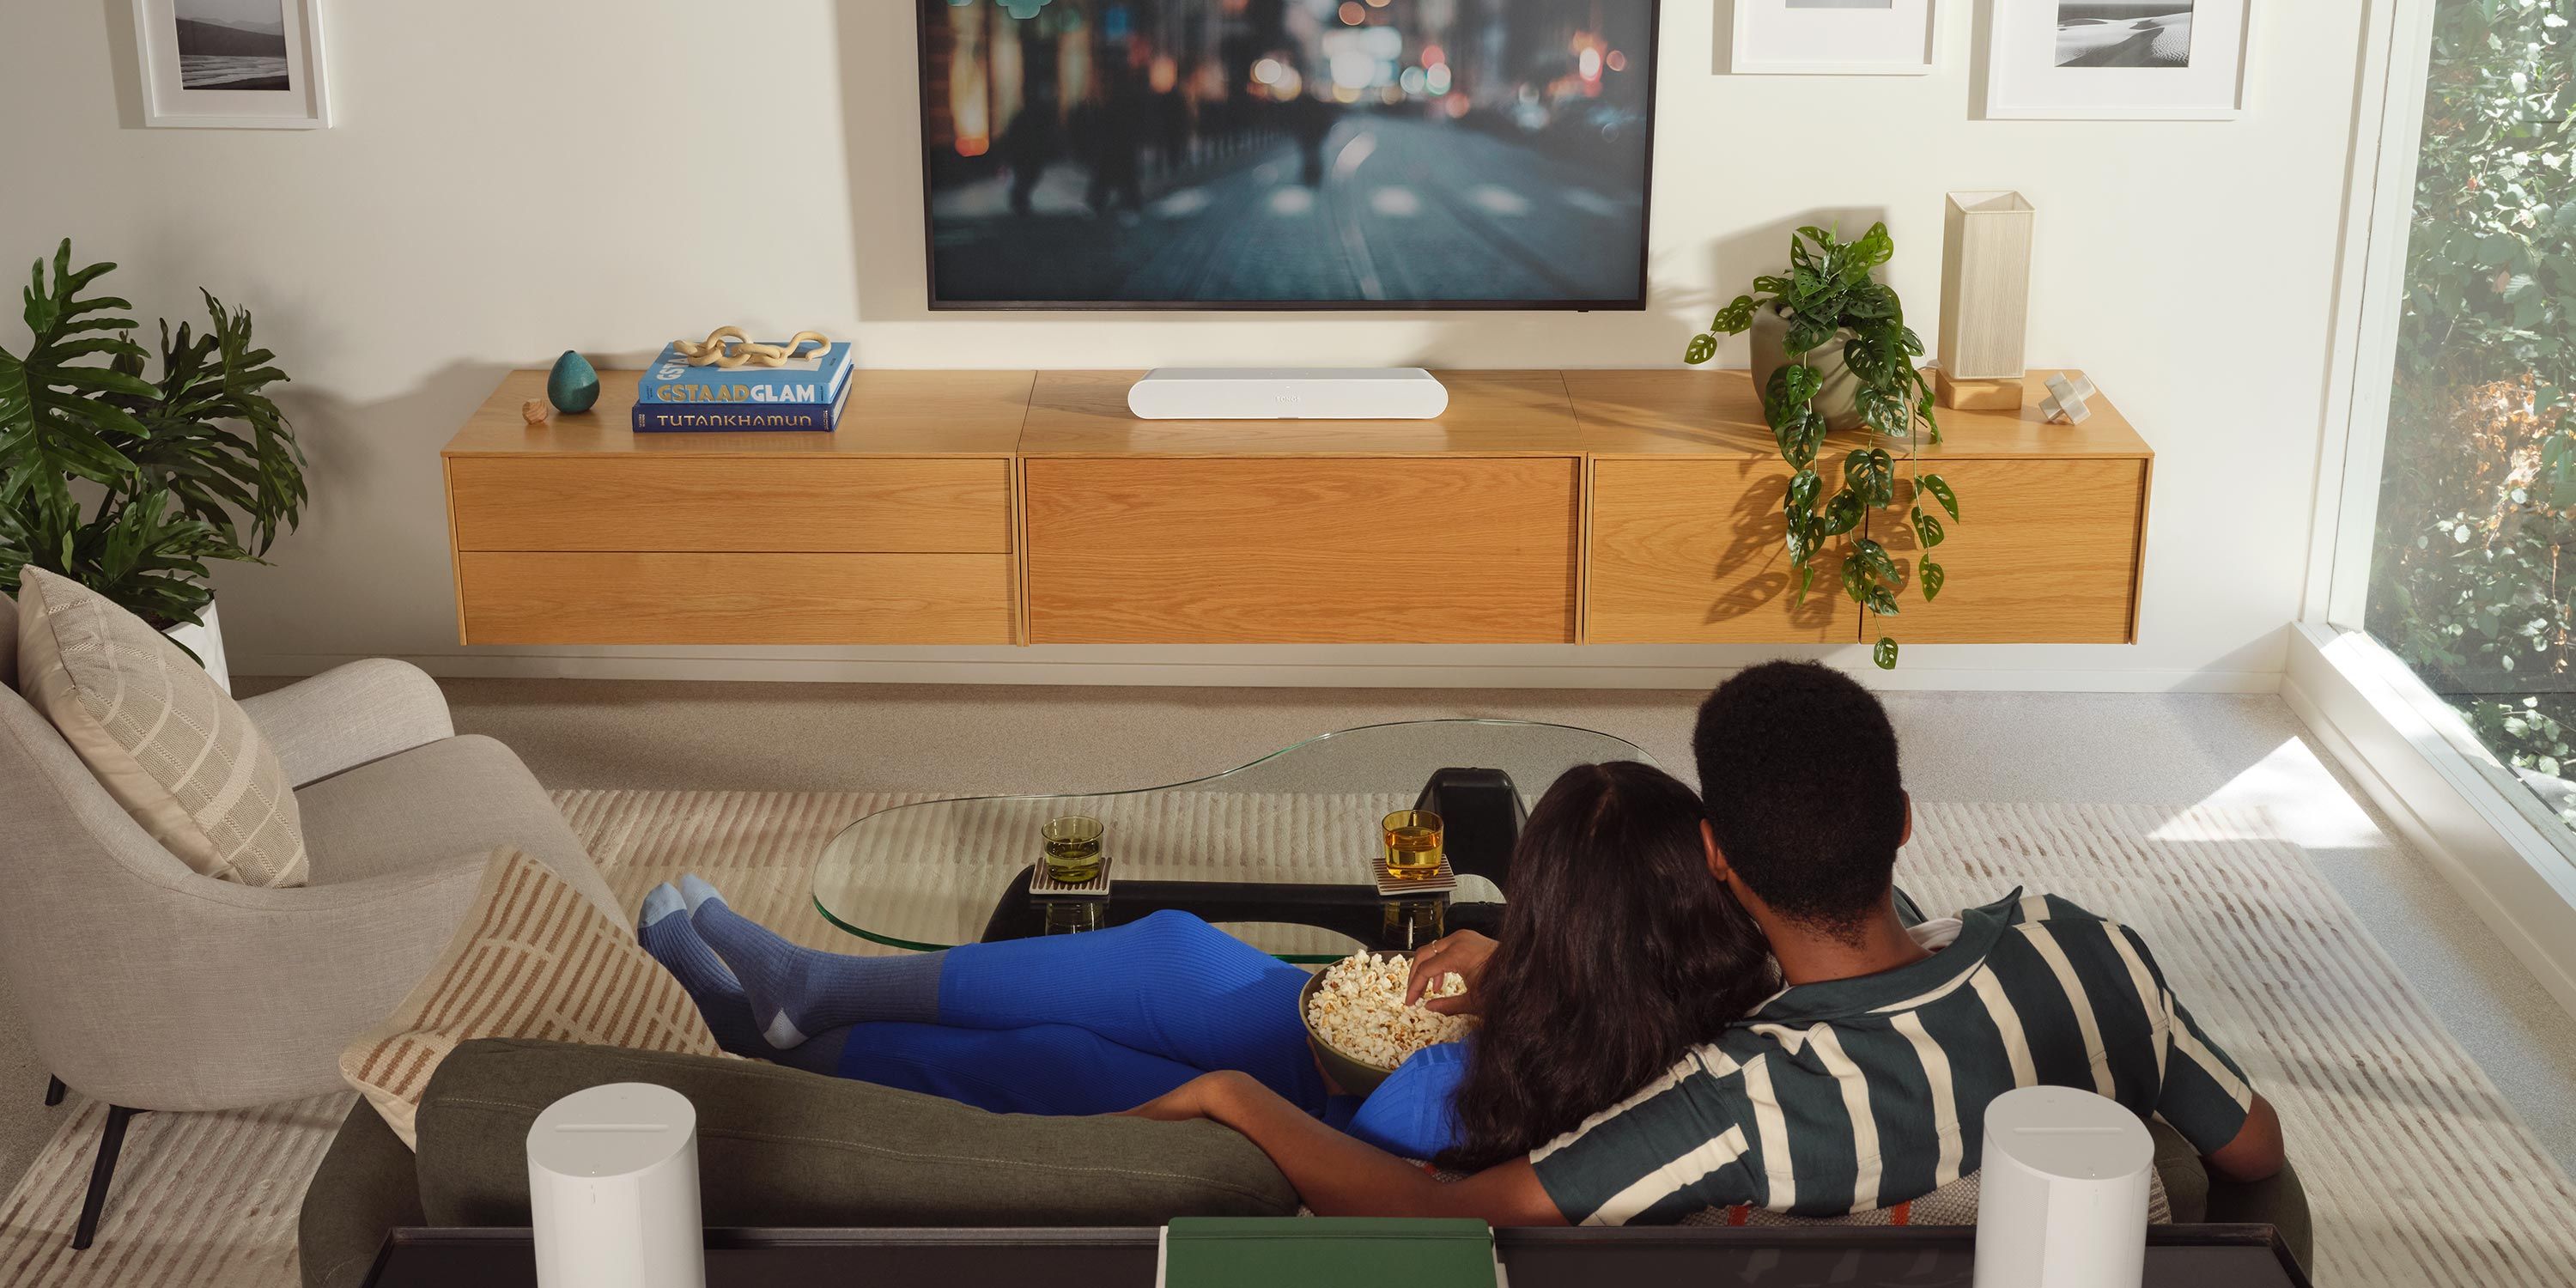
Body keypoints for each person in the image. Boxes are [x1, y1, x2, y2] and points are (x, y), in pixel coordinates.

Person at [1123, 661, 2287, 1225]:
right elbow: (2250, 1155)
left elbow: (1444, 1217)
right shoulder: (2085, 950)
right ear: (1907, 821)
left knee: (1202, 1002)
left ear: (1717, 856)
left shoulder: (1737, 1099)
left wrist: (1236, 1099)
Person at [640, 761, 1777, 1165]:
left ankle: (778, 1052)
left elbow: (1383, 1140)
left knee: (1068, 1066)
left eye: (1535, 906)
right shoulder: (1694, 956)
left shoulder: (1584, 1098)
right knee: (1174, 954)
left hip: (1322, 1128)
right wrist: (1481, 965)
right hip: (1334, 1046)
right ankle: (816, 989)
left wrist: (1445, 1026)